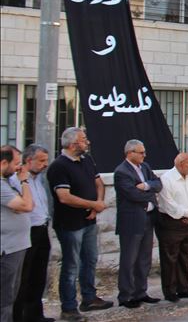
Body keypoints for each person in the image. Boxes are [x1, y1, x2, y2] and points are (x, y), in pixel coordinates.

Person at [47, 128, 113, 319]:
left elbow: (99, 183)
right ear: (72, 144)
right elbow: (64, 197)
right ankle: (68, 307)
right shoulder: (59, 166)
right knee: (70, 266)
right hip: (70, 224)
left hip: (89, 220)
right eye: (84, 140)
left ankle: (89, 297)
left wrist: (96, 206)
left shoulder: (87, 160)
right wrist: (94, 204)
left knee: (90, 260)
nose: (88, 143)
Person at [114, 140, 163, 308]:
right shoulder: (122, 172)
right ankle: (126, 296)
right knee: (129, 259)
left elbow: (158, 184)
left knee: (144, 258)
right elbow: (132, 194)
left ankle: (140, 292)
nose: (144, 155)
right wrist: (149, 193)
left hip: (148, 218)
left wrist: (147, 185)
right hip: (132, 221)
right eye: (141, 152)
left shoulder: (145, 167)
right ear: (130, 153)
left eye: (144, 152)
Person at [11, 145, 52, 322]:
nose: (45, 164)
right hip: (28, 232)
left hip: (42, 229)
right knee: (24, 277)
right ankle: (19, 316)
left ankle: (35, 314)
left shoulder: (39, 179)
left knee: (39, 274)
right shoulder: (17, 180)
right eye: (41, 161)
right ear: (29, 161)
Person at [156, 152, 188, 303]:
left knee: (184, 256)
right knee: (170, 257)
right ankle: (170, 290)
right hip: (172, 223)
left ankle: (184, 288)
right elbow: (169, 204)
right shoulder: (167, 179)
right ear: (181, 164)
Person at [1, 145, 33, 322]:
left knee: (12, 295)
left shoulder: (7, 182)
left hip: (17, 246)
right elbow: (27, 206)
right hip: (7, 248)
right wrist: (24, 181)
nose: (19, 168)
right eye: (16, 163)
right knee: (5, 299)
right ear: (4, 162)